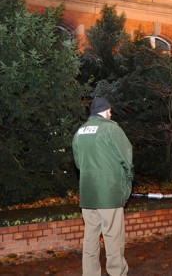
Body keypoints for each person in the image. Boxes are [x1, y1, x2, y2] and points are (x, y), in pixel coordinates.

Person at [72, 97, 134, 276]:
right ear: (106, 111)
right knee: (113, 238)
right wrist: (127, 183)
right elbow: (127, 159)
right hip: (109, 193)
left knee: (91, 238)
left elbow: (78, 163)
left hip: (88, 194)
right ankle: (117, 273)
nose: (111, 114)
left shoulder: (80, 131)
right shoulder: (111, 128)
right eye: (110, 111)